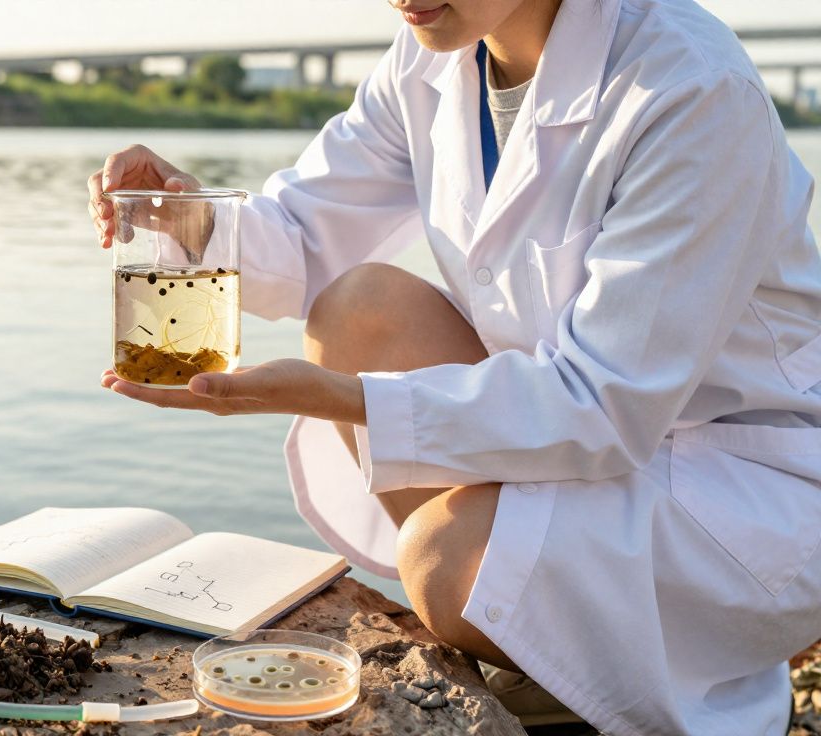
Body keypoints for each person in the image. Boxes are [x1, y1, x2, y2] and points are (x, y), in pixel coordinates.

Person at [86, 0, 821, 733]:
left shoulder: (691, 88)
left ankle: (639, 675)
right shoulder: (434, 53)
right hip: (582, 431)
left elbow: (605, 401)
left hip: (737, 487)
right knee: (359, 309)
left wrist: (353, 399)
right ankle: (533, 643)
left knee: (444, 559)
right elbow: (308, 233)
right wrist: (192, 215)